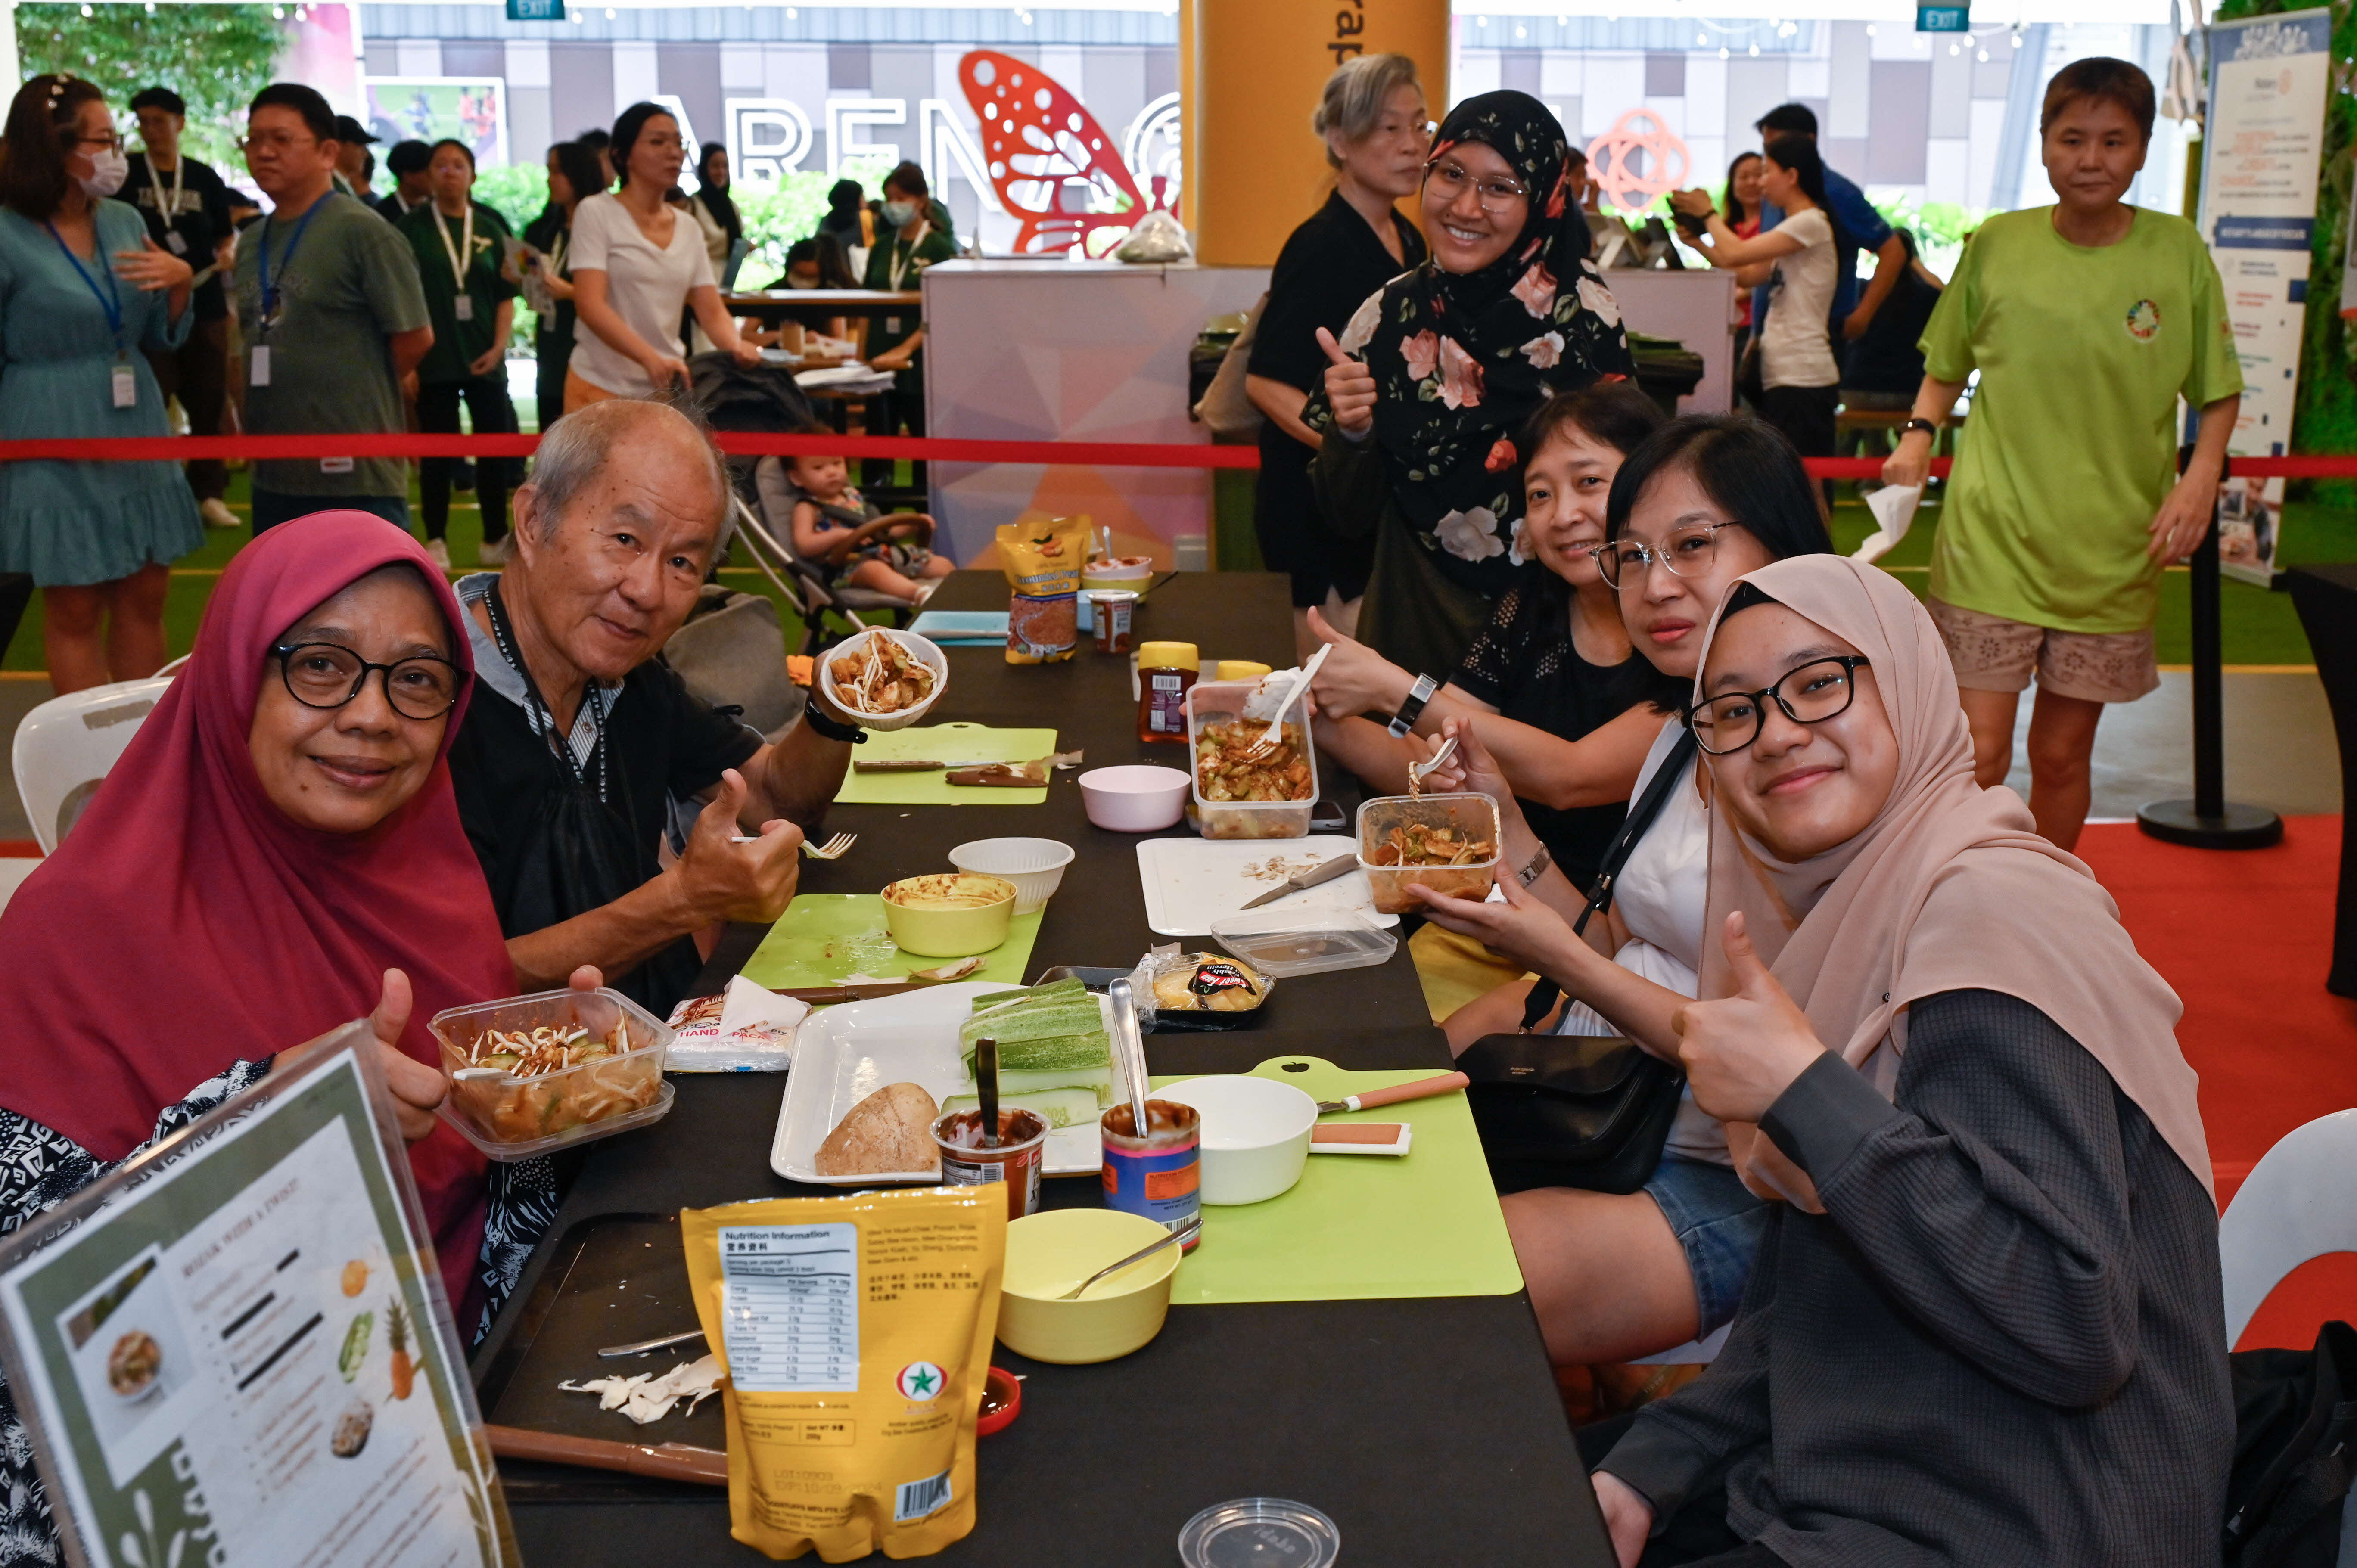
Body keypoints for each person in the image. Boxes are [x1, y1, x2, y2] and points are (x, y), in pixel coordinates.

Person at [1586, 555, 2230, 1568]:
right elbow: (1817, 1287)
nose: (1778, 732)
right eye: (1733, 712)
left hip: (2031, 1514)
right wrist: (1654, 1462)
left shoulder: (1987, 921)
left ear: (1911, 683)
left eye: (1816, 683)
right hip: (1872, 1456)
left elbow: (2071, 1325)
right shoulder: (1844, 918)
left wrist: (1806, 1095)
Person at [0, 512, 584, 1553]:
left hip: (461, 1392)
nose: (370, 717)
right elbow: (37, 1308)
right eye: (320, 667)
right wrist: (270, 1119)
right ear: (232, 679)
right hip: (227, 1473)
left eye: (414, 680)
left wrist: (555, 1087)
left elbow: (477, 1189)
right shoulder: (72, 935)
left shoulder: (431, 885)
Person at [1412, 415, 1835, 1369]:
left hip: (1742, 1173)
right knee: (1383, 1105)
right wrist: (1506, 828)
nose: (1655, 585)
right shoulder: (1681, 734)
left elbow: (1779, 1063)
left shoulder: (1815, 760)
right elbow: (1599, 942)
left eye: (1693, 545)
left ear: (1783, 544)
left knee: (1449, 1284)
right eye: (1633, 555)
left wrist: (1552, 956)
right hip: (1607, 1105)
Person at [1884, 57, 2240, 851]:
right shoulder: (1998, 245)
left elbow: (2218, 390)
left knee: (2060, 752)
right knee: (1975, 752)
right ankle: (1953, 896)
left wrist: (2199, 478)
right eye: (2071, 138)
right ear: (2043, 144)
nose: (2090, 158)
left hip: (2114, 549)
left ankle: (2042, 903)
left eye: (2113, 141)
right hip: (1992, 540)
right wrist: (1917, 436)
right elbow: (1945, 366)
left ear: (2143, 149)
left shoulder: (2176, 252)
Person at [447, 400, 863, 1015]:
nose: (647, 591)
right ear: (534, 521)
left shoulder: (631, 679)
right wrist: (685, 900)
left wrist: (837, 705)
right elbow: (456, 974)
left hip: (651, 1051)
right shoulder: (422, 705)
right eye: (624, 539)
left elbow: (778, 797)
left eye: (682, 562)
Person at [1308, 90, 1635, 682]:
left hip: (1555, 637)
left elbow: (1622, 500)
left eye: (1500, 187)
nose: (1465, 206)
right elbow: (1343, 518)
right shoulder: (1387, 318)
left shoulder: (1584, 320)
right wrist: (1352, 433)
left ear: (1542, 200)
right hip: (1414, 628)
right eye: (1451, 174)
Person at [1310, 383, 1675, 902]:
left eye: (1589, 481)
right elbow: (1428, 763)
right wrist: (1317, 716)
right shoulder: (1531, 605)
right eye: (1541, 493)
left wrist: (1396, 690)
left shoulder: (1686, 635)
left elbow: (1570, 776)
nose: (1563, 514)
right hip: (1497, 899)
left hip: (1615, 933)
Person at [0, 74, 200, 696]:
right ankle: (89, 770)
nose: (118, 152)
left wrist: (179, 284)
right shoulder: (6, 231)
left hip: (136, 413)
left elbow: (160, 338)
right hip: (48, 422)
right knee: (75, 604)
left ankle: (141, 750)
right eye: (103, 140)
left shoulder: (121, 218)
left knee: (146, 591)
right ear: (52, 147)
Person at [1244, 52, 1431, 655]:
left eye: (1420, 126)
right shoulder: (1320, 244)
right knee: (1328, 694)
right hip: (1313, 510)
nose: (1412, 145)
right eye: (1389, 128)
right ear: (1340, 141)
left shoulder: (1406, 237)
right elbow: (1266, 384)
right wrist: (1347, 449)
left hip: (1370, 513)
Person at [233, 83, 433, 535]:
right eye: (253, 140)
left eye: (281, 140)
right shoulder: (250, 241)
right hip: (275, 472)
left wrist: (351, 392)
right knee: (283, 605)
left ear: (327, 152)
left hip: (354, 475)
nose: (263, 152)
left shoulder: (364, 232)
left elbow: (415, 338)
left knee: (365, 605)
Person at [565, 102, 760, 409]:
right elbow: (590, 305)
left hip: (663, 388)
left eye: (679, 143)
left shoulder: (689, 228)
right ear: (623, 155)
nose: (674, 152)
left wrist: (737, 345)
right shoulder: (596, 212)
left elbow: (710, 309)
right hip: (599, 385)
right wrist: (649, 357)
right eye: (658, 142)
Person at [1672, 137, 1841, 460]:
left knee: (1808, 481)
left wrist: (1708, 214)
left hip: (1804, 373)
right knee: (1790, 477)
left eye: (1767, 172)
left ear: (1791, 176)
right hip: (1786, 372)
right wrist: (1698, 244)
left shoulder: (1810, 223)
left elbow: (1737, 253)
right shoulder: (1795, 226)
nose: (1761, 183)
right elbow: (1747, 273)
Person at [401, 138, 520, 569]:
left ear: (473, 174)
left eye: (459, 165)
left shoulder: (491, 225)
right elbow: (398, 298)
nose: (450, 172)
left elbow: (507, 294)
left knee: (493, 453)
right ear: (429, 176)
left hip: (485, 358)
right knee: (437, 455)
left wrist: (499, 346)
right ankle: (435, 538)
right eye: (441, 166)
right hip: (434, 361)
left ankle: (494, 535)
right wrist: (407, 362)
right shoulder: (411, 229)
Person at [124, 84, 239, 530]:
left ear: (181, 123)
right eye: (144, 122)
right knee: (152, 401)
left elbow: (225, 235)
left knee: (209, 400)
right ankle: (151, 493)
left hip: (204, 302)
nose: (151, 130)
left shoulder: (203, 176)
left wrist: (227, 254)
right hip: (146, 307)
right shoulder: (127, 174)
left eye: (159, 120)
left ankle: (209, 492)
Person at [1741, 104, 1903, 365]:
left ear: (1808, 141)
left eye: (1778, 144)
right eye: (1767, 146)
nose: (1770, 154)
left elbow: (1893, 249)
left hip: (1820, 329)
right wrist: (1756, 332)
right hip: (1774, 327)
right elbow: (1762, 269)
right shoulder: (1772, 193)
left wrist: (1863, 314)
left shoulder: (1837, 191)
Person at [758, 440, 951, 605]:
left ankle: (958, 594)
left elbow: (882, 532)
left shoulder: (853, 497)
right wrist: (841, 536)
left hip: (884, 553)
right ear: (797, 478)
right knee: (874, 571)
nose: (832, 472)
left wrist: (913, 524)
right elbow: (803, 545)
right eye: (819, 468)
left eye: (837, 463)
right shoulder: (809, 508)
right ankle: (919, 595)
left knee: (941, 565)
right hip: (848, 567)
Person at [861, 159, 955, 451]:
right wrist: (860, 355)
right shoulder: (882, 246)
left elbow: (944, 310)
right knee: (877, 438)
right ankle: (875, 492)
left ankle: (925, 497)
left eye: (902, 199)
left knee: (923, 440)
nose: (894, 205)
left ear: (921, 200)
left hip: (919, 358)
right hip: (878, 353)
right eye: (890, 199)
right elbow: (865, 304)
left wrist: (907, 348)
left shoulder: (939, 247)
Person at [522, 139, 603, 432]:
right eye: (549, 171)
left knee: (585, 431)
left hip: (586, 340)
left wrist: (571, 292)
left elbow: (619, 291)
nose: (550, 180)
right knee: (550, 424)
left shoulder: (603, 226)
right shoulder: (546, 228)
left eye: (557, 172)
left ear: (578, 173)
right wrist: (521, 276)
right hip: (550, 339)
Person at [1835, 227, 1942, 418]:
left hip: (1857, 385)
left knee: (1848, 441)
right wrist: (1913, 261)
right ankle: (1878, 448)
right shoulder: (1926, 296)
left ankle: (1861, 447)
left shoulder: (1862, 292)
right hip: (1906, 389)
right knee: (1877, 438)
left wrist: (1893, 257)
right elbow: (1946, 294)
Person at [1718, 152, 1763, 366]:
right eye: (1743, 177)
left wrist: (1738, 293)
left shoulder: (1774, 229)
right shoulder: (1727, 229)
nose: (1752, 182)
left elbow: (1764, 277)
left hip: (1755, 325)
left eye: (1758, 175)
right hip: (1726, 324)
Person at [689, 140, 742, 283]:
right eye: (715, 166)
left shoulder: (733, 208)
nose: (721, 172)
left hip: (728, 284)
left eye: (725, 166)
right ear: (704, 169)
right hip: (698, 282)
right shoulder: (692, 206)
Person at [375, 136, 433, 220]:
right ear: (408, 177)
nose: (436, 178)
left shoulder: (442, 208)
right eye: (428, 173)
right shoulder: (382, 215)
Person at [330, 112, 378, 202]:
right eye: (360, 146)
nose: (365, 154)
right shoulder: (330, 188)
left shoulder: (341, 186)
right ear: (338, 146)